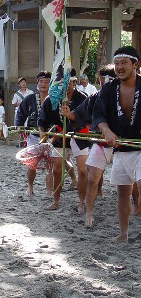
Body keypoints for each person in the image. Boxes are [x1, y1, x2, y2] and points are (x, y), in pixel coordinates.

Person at [92, 46, 141, 242]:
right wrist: (106, 130)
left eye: (124, 63)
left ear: (135, 65)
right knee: (122, 191)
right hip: (121, 147)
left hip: (140, 147)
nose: (119, 67)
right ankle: (123, 233)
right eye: (117, 64)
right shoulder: (109, 89)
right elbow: (99, 114)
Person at [59, 65, 117, 228]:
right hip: (100, 143)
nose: (104, 82)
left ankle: (136, 206)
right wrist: (69, 113)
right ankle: (88, 211)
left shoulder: (131, 94)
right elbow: (78, 114)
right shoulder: (96, 97)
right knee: (92, 178)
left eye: (108, 79)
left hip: (124, 145)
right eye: (102, 79)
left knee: (131, 184)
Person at [39, 68, 89, 211]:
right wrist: (43, 132)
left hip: (79, 134)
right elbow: (43, 119)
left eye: (69, 83)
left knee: (83, 170)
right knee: (56, 169)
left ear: (74, 82)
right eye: (63, 83)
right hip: (60, 135)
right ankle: (56, 201)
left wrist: (72, 116)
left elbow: (86, 118)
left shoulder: (83, 98)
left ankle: (81, 202)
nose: (66, 87)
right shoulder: (52, 98)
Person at [16, 71, 52, 197]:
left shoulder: (54, 99)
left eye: (46, 81)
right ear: (37, 83)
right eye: (41, 81)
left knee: (50, 164)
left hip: (50, 136)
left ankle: (49, 190)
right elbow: (21, 113)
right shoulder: (30, 98)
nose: (43, 84)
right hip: (33, 134)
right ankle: (30, 187)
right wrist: (19, 126)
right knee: (32, 164)